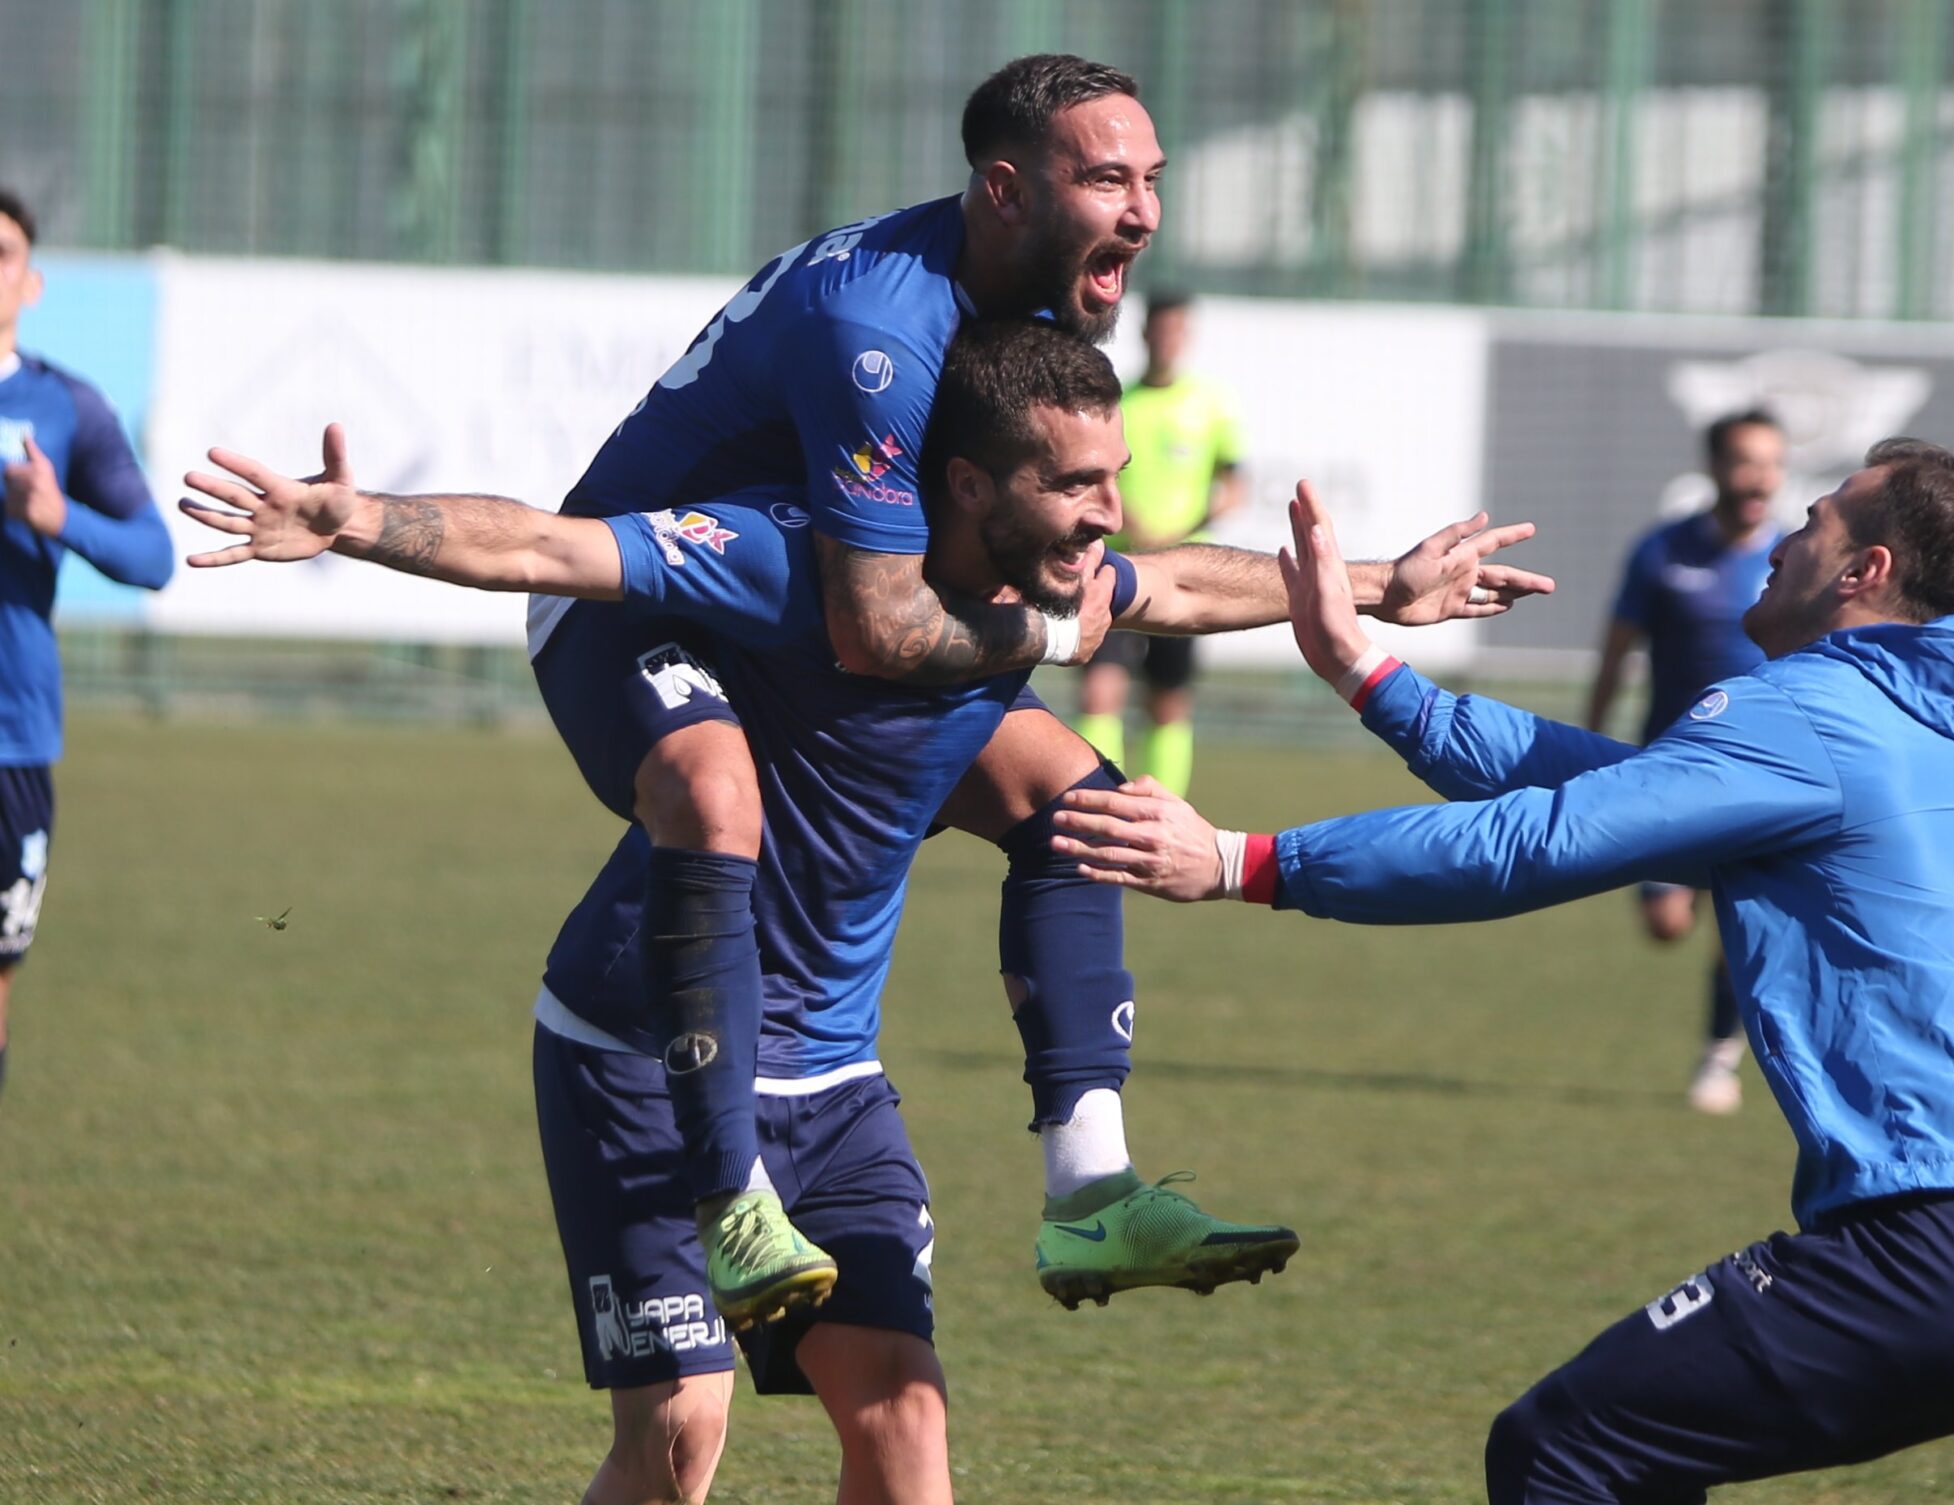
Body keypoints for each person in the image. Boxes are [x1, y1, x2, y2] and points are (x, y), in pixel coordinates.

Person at [181, 319, 1550, 1504]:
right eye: (1074, 483)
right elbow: (553, 549)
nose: (1107, 513)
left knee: (906, 1427)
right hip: (643, 1058)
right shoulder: (801, 563)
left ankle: (1092, 1188)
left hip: (834, 1085)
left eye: (1114, 478)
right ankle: (764, 1212)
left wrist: (1384, 589)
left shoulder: (1041, 588)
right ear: (966, 484)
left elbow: (1182, 584)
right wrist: (358, 523)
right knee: (678, 1434)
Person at [1049, 445, 1954, 1504]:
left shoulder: (1813, 714)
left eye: (1818, 520)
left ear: (1863, 572)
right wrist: (1367, 676)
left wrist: (1244, 862)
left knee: (1562, 1448)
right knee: (1618, 1453)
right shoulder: (1911, 731)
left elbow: (1537, 840)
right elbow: (1615, 791)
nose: (1787, 531)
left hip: (1942, 1236)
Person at [467, 53, 1223, 1322]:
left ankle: (1090, 1188)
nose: (1143, 209)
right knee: (715, 794)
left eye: (1152, 178)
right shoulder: (880, 322)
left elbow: (1145, 584)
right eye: (1107, 177)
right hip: (643, 595)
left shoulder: (1030, 322)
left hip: (801, 608)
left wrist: (1372, 584)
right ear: (1003, 187)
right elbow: (875, 625)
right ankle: (730, 1196)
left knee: (1075, 794)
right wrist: (1047, 628)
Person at [0, 187, 175, 1102]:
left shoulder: (65, 406)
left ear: (31, 281)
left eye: (0, 254)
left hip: (11, 738)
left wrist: (58, 514)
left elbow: (153, 557)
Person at [1583, 409, 1786, 1116]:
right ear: (1713, 467)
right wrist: (1589, 737)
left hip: (1756, 775)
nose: (1757, 475)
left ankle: (1717, 1056)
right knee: (1668, 922)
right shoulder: (1663, 552)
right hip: (1667, 766)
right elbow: (1616, 652)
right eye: (1743, 460)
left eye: (1769, 461)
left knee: (1739, 920)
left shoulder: (1796, 560)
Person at [1075, 289, 1246, 796]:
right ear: (1146, 332)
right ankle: (1099, 801)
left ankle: (1159, 808)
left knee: (1168, 702)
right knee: (1099, 692)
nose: (1168, 340)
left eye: (1178, 330)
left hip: (1184, 569)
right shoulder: (1119, 401)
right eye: (1161, 329)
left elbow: (1233, 487)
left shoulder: (1209, 405)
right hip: (1116, 562)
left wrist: (1184, 527)